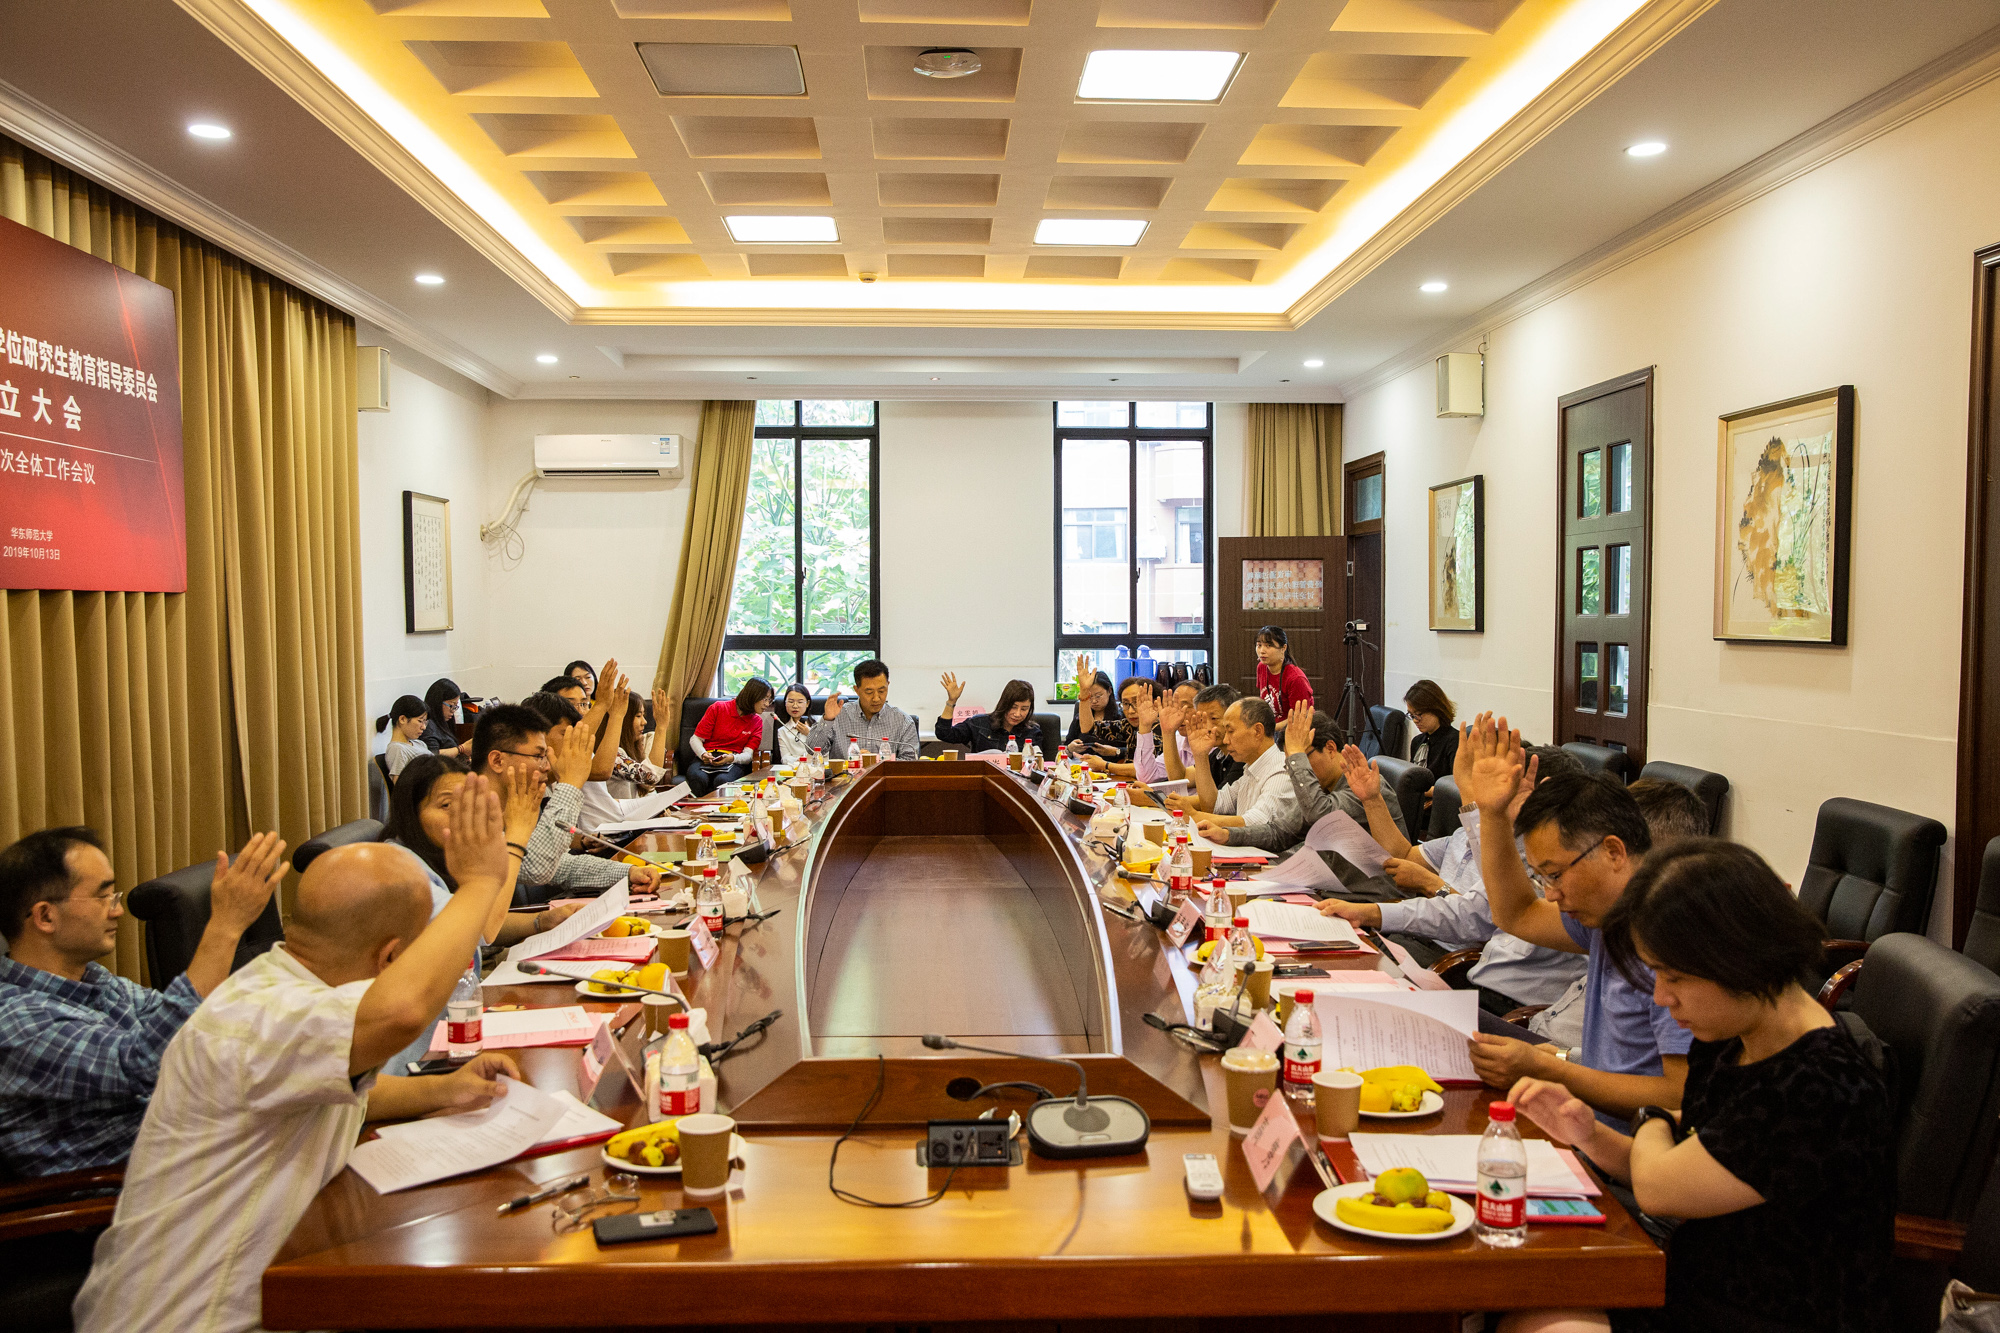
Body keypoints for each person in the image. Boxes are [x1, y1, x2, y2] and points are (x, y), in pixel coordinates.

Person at [72, 785, 524, 1333]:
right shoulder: (264, 1017)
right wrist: (480, 884)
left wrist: (444, 1089)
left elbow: (342, 1090)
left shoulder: (284, 987)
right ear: (392, 957)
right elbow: (403, 1010)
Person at [1497, 840, 1893, 1333]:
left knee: (1535, 1313)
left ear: (1737, 959)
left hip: (1772, 1314)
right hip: (1695, 1285)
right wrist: (1589, 1135)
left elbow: (1659, 1187)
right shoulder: (1733, 1039)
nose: (1662, 997)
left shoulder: (1819, 1084)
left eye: (1674, 977)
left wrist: (1651, 1115)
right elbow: (1686, 1154)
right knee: (1517, 1292)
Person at [0, 827, 288, 1178]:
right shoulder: (16, 1019)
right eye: (103, 897)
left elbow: (190, 1026)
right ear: (45, 916)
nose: (117, 911)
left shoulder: (92, 979)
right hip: (125, 1192)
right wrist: (226, 926)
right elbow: (143, 1062)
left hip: (193, 1151)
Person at [1458, 717, 1689, 1121]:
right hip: (1581, 1117)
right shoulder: (1607, 917)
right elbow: (1516, 913)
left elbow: (1678, 1096)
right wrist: (1492, 816)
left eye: (1556, 875)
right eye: (1542, 878)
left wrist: (1551, 1068)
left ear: (1614, 852)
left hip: (1627, 1143)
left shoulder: (1674, 939)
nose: (1550, 893)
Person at [1317, 735, 1590, 1016]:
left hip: (1459, 962)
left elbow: (1480, 916)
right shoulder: (1469, 833)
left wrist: (1434, 885)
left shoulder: (1535, 859)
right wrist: (1372, 799)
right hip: (1437, 951)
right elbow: (1403, 856)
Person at [380, 753, 579, 1072]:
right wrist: (516, 836)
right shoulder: (401, 871)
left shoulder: (436, 857)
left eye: (469, 805)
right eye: (447, 805)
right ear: (411, 813)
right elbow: (484, 928)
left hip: (458, 1025)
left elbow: (469, 924)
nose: (462, 816)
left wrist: (539, 921)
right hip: (421, 1058)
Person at [472, 703, 656, 898]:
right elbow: (537, 867)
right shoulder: (469, 816)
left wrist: (627, 873)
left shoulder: (516, 804)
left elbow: (561, 866)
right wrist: (570, 784)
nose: (546, 766)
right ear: (497, 761)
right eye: (538, 756)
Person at [1201, 703, 1408, 858]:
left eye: (1302, 758)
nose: (1296, 770)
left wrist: (1296, 757)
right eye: (1291, 761)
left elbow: (1321, 817)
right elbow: (1279, 833)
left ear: (1330, 748)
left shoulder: (1364, 786)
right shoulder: (1321, 787)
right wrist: (1228, 835)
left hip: (1371, 894)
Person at [1178, 697, 1297, 830]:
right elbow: (1214, 806)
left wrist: (1194, 816)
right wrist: (1200, 755)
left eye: (1230, 731)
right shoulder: (1250, 769)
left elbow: (1256, 824)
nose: (1225, 740)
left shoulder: (1281, 769)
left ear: (1257, 731)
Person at [806, 660, 920, 760]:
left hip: (885, 778)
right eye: (869, 692)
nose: (876, 698)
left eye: (881, 691)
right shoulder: (839, 715)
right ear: (857, 690)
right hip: (845, 778)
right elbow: (812, 750)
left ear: (888, 685)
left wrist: (876, 761)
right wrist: (828, 719)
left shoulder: (902, 721)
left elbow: (910, 762)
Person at [687, 678, 771, 795]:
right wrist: (703, 754)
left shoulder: (756, 721)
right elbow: (695, 738)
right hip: (707, 757)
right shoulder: (718, 708)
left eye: (769, 700)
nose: (767, 704)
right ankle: (697, 808)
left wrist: (732, 758)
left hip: (734, 760)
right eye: (765, 699)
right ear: (753, 695)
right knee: (698, 778)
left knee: (722, 780)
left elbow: (748, 755)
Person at [1161, 682, 1245, 794]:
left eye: (1214, 718)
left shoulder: (1243, 756)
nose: (1208, 728)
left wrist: (1177, 801)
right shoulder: (1218, 755)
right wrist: (1168, 732)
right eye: (1202, 720)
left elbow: (1219, 801)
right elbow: (1180, 779)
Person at [936, 675, 1041, 753]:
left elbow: (1038, 765)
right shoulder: (979, 723)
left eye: (1024, 709)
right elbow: (944, 733)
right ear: (1004, 704)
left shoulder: (1032, 733)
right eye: (1013, 707)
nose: (1017, 714)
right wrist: (951, 701)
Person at [1063, 659, 1131, 762]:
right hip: (1082, 766)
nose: (1094, 701)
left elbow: (1134, 751)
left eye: (1098, 696)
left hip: (1114, 767)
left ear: (1109, 691)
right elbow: (1063, 750)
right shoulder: (1080, 718)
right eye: (1089, 697)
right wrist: (1069, 749)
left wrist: (1115, 751)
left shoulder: (1122, 717)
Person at [1254, 626, 1313, 719]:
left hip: (1292, 725)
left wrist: (1272, 727)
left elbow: (1300, 717)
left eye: (1268, 646)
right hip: (1270, 723)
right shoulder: (1261, 667)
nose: (1262, 651)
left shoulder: (1296, 678)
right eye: (1259, 645)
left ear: (1283, 648)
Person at [1405, 679, 1458, 777]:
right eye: (1411, 715)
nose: (1415, 720)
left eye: (1418, 714)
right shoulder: (1417, 741)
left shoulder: (1454, 741)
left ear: (1436, 710)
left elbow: (1454, 783)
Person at [374, 694, 430, 778]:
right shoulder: (397, 749)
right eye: (420, 721)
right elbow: (400, 784)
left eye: (425, 722)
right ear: (402, 719)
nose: (424, 727)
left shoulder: (420, 743)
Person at [420, 677, 468, 759]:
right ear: (438, 702)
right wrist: (462, 749)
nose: (453, 711)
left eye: (456, 706)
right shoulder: (427, 726)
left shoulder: (443, 723)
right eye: (451, 705)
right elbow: (431, 756)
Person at [774, 682, 816, 765]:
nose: (795, 706)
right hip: (794, 769)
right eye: (791, 701)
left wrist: (809, 733)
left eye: (800, 702)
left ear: (807, 703)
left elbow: (825, 753)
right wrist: (803, 759)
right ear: (785, 703)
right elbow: (785, 759)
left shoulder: (819, 724)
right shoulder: (782, 731)